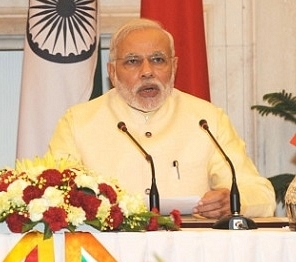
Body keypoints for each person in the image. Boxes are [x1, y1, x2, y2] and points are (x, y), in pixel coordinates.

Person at [47, 18, 275, 218]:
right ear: (112, 72)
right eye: (133, 61)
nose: (147, 72)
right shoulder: (78, 122)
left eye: (157, 60)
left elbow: (260, 194)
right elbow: (52, 194)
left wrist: (234, 202)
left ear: (174, 67)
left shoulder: (207, 120)